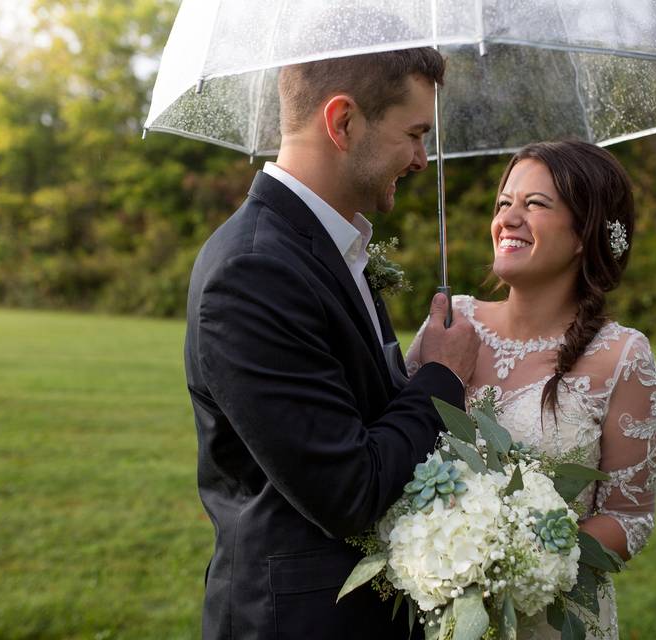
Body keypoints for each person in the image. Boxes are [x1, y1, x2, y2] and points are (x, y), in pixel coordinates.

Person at [183, 45, 480, 639]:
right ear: (342, 121)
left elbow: (354, 403)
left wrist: (408, 372)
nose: (423, 159)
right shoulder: (254, 271)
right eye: (415, 133)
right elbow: (350, 487)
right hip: (304, 620)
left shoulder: (327, 244)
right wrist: (441, 380)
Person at [407, 140, 656, 639]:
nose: (508, 218)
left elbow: (628, 517)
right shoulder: (447, 326)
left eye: (535, 205)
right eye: (504, 203)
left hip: (554, 620)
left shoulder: (622, 359)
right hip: (435, 613)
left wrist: (516, 562)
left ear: (583, 234)